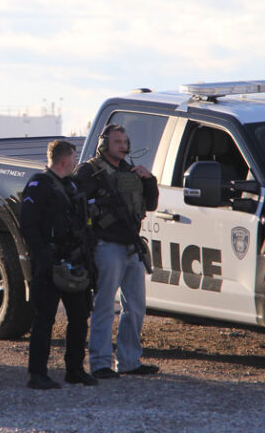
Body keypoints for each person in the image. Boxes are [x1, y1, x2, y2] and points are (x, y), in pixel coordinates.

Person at [73, 124, 159, 378]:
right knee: (104, 306)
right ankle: (100, 364)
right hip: (106, 246)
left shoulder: (130, 170)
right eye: (117, 142)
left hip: (131, 246)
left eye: (124, 141)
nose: (123, 145)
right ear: (104, 145)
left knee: (136, 306)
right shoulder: (89, 171)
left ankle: (130, 361)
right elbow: (78, 207)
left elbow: (150, 204)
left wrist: (149, 180)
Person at [21, 140, 98, 390]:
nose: (76, 162)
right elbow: (28, 226)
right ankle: (37, 374)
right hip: (49, 265)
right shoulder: (39, 185)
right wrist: (44, 258)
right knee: (44, 319)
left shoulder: (71, 185)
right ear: (65, 160)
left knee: (79, 316)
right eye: (74, 157)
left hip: (74, 261)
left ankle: (74, 370)